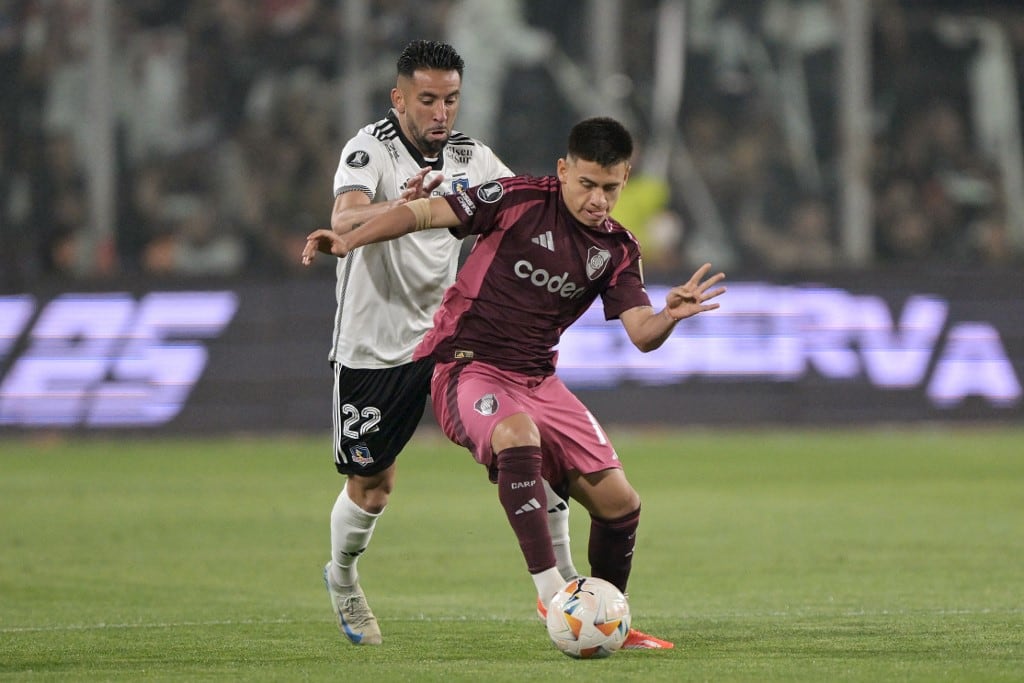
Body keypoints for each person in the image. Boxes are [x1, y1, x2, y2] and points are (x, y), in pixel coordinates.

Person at [303, 116, 727, 649]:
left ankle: (604, 620)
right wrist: (350, 241)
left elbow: (642, 334)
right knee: (514, 435)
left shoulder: (618, 248)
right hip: (466, 364)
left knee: (621, 504)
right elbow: (421, 212)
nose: (598, 200)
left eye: (611, 188)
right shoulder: (517, 198)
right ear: (563, 170)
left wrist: (669, 315)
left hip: (537, 379)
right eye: (587, 184)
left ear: (625, 179)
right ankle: (553, 595)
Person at [318, 39, 582, 647]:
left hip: (454, 341)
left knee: (527, 448)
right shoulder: (369, 150)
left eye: (451, 100)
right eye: (428, 100)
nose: (441, 112)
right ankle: (343, 577)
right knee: (373, 487)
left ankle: (567, 590)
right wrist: (403, 204)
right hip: (375, 347)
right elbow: (345, 220)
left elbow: (526, 210)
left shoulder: (472, 157)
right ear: (399, 99)